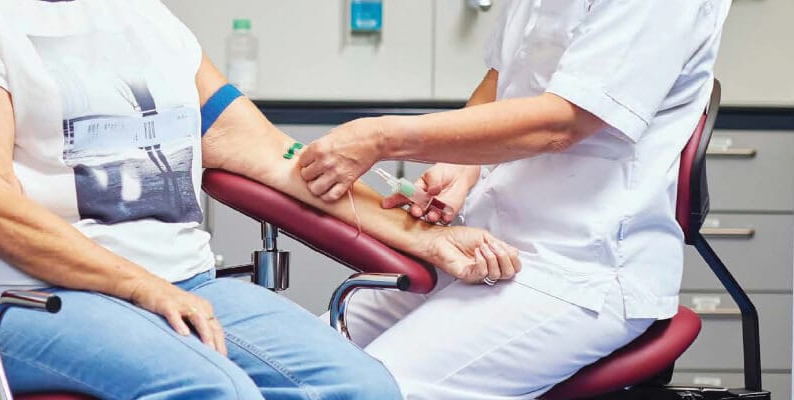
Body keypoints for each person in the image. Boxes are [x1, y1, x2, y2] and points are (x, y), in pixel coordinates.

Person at [0, 0, 519, 399]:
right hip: (15, 300)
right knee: (213, 391)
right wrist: (141, 287)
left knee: (362, 390)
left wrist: (427, 238)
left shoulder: (151, 21)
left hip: (183, 288)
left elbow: (275, 156)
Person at [296, 0, 732, 398]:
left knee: (368, 390)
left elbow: (564, 122)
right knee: (293, 367)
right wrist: (461, 164)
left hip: (576, 271)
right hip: (479, 247)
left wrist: (380, 137)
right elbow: (502, 78)